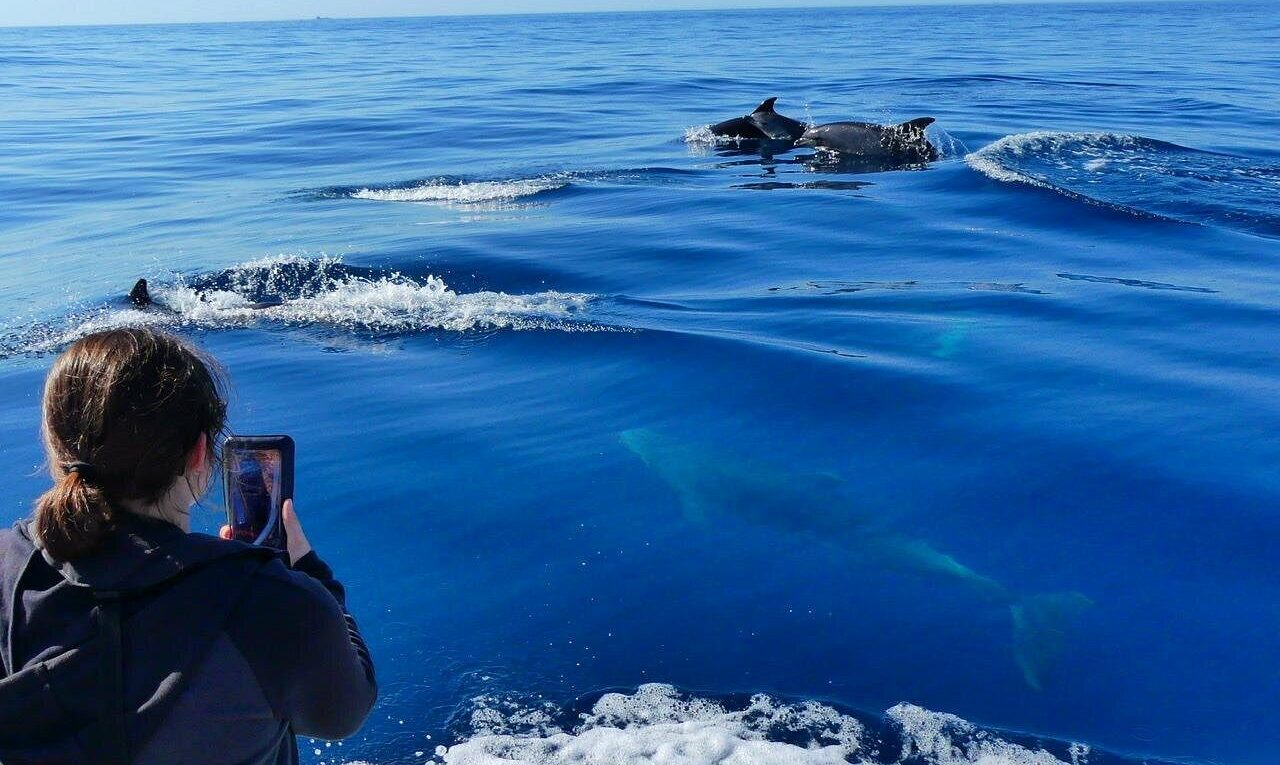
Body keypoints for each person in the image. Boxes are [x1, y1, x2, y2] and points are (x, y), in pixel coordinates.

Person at [0, 327, 376, 764]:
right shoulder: (272, 599)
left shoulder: (7, 567)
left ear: (55, 444)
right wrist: (311, 575)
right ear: (200, 453)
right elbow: (343, 714)